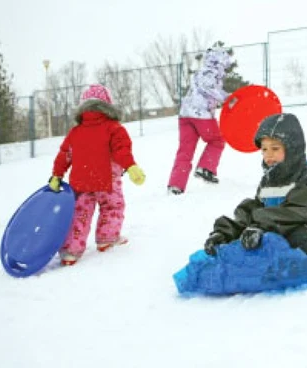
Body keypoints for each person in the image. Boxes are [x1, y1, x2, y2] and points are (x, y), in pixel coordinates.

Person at [203, 113, 307, 258]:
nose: (268, 155)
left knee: (294, 235)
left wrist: (261, 226)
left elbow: (299, 212)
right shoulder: (268, 181)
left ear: (292, 149)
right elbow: (257, 210)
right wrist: (227, 232)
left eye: (275, 149)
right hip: (276, 232)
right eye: (264, 149)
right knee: (252, 223)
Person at [49, 84, 146, 266]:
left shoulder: (75, 132)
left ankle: (71, 251)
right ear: (108, 106)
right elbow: (121, 150)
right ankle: (107, 238)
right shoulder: (114, 128)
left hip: (81, 183)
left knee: (80, 214)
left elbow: (64, 155)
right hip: (107, 181)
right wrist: (131, 166)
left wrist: (57, 175)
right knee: (112, 208)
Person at [167, 46, 233, 195]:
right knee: (217, 140)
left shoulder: (201, 71)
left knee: (185, 151)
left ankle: (176, 185)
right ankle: (206, 168)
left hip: (185, 115)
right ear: (220, 61)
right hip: (200, 114)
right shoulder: (212, 72)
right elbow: (207, 87)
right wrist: (226, 98)